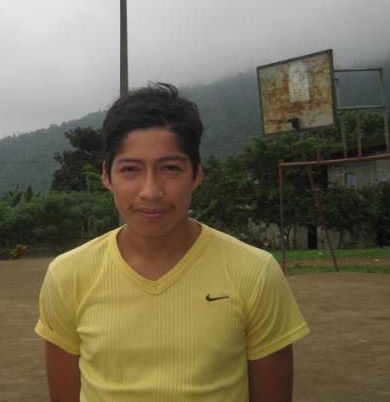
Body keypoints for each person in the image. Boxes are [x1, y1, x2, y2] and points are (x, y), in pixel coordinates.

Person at [34, 83, 309, 401]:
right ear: (107, 175)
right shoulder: (68, 275)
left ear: (196, 174)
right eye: (131, 169)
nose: (151, 191)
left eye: (170, 168)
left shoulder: (255, 272)